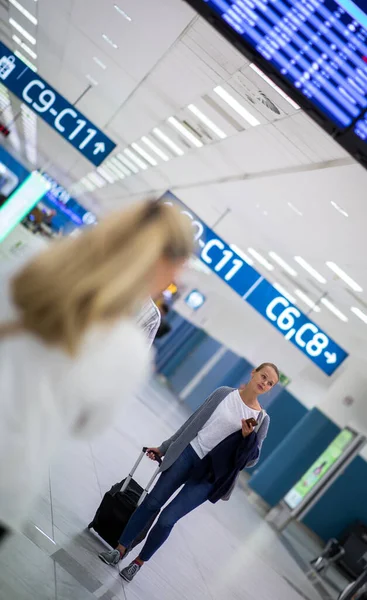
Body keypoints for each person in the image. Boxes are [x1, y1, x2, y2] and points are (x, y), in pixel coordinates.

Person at [0, 200, 193, 544]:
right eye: (176, 269)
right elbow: (88, 424)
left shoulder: (36, 261)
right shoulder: (129, 343)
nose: (174, 281)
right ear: (160, 263)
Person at [99, 363, 278, 583]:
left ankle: (138, 563)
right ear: (253, 373)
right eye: (263, 376)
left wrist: (246, 437)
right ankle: (120, 549)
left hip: (210, 475)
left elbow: (251, 460)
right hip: (188, 453)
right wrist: (165, 447)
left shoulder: (261, 420)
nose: (265, 383)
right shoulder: (224, 394)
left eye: (270, 383)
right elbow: (192, 422)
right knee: (152, 503)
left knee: (167, 519)